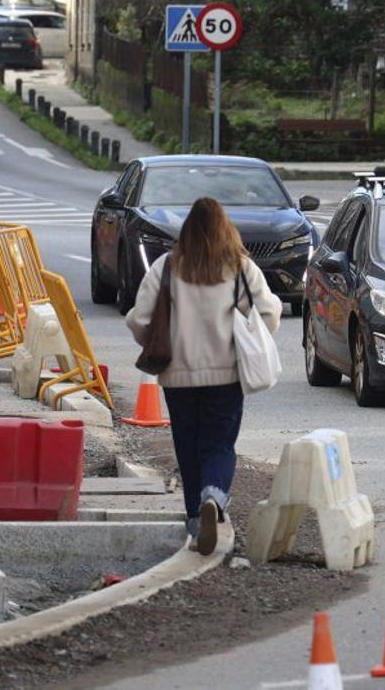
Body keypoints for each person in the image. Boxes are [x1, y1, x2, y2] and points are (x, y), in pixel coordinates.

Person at [125, 197, 282, 555]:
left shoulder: (167, 266)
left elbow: (139, 318)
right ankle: (214, 496)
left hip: (177, 375)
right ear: (225, 229)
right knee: (219, 443)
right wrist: (252, 338)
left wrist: (156, 341)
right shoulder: (241, 268)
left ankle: (196, 518)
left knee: (187, 444)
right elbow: (269, 313)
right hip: (226, 374)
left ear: (188, 231)